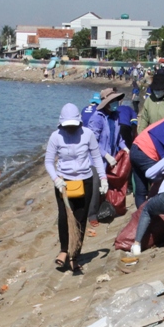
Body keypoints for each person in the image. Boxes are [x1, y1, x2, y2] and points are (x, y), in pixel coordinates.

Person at [45, 103, 107, 273]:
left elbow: (96, 157)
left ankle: (75, 256)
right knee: (64, 217)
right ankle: (64, 250)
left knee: (80, 218)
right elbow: (49, 161)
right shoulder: (55, 137)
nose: (71, 129)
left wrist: (103, 178)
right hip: (63, 183)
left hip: (85, 181)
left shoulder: (87, 134)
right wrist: (56, 178)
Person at [86, 88, 128, 227]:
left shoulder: (115, 116)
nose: (115, 103)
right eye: (113, 101)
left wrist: (124, 147)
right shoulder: (97, 118)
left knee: (107, 185)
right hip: (95, 158)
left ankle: (103, 208)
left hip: (111, 156)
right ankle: (92, 214)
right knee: (96, 184)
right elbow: (93, 142)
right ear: (106, 102)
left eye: (116, 100)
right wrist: (106, 155)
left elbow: (118, 137)